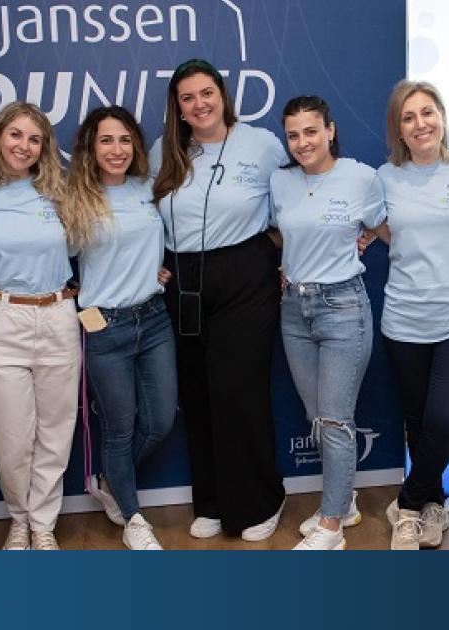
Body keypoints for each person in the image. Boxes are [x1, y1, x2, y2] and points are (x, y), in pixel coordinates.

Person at [149, 58, 289, 541]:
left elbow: (295, 200)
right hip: (183, 282)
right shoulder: (163, 151)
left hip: (244, 276)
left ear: (223, 95)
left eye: (206, 93)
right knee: (198, 393)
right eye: (187, 97)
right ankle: (210, 500)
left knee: (238, 393)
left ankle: (260, 501)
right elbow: (140, 215)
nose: (199, 104)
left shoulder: (262, 144)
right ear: (177, 107)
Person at [0, 102, 77, 551]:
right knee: (11, 438)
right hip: (0, 318)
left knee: (55, 430)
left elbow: (91, 243)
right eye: (16, 134)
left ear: (45, 147)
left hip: (57, 314)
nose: (24, 146)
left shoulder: (59, 189)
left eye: (34, 139)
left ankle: (42, 525)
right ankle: (19, 519)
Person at [375, 80, 449, 550]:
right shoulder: (385, 178)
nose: (420, 124)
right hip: (405, 317)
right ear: (398, 129)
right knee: (418, 422)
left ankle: (405, 505)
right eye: (408, 117)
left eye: (427, 112)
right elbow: (382, 230)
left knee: (443, 419)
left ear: (442, 116)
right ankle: (433, 503)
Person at [269, 95, 386, 550]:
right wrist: (287, 265)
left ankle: (331, 525)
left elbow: (388, 227)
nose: (303, 142)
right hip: (294, 309)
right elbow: (276, 232)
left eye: (311, 131)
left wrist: (365, 237)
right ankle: (346, 502)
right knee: (317, 416)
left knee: (336, 420)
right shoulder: (280, 182)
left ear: (330, 131)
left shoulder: (360, 177)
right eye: (293, 135)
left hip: (343, 308)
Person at [61, 105, 176, 550]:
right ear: (90, 148)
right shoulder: (75, 197)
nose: (117, 149)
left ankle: (110, 479)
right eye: (106, 140)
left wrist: (157, 271)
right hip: (104, 327)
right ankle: (133, 518)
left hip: (153, 318)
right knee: (120, 429)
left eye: (125, 139)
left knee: (160, 420)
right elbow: (47, 255)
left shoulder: (149, 189)